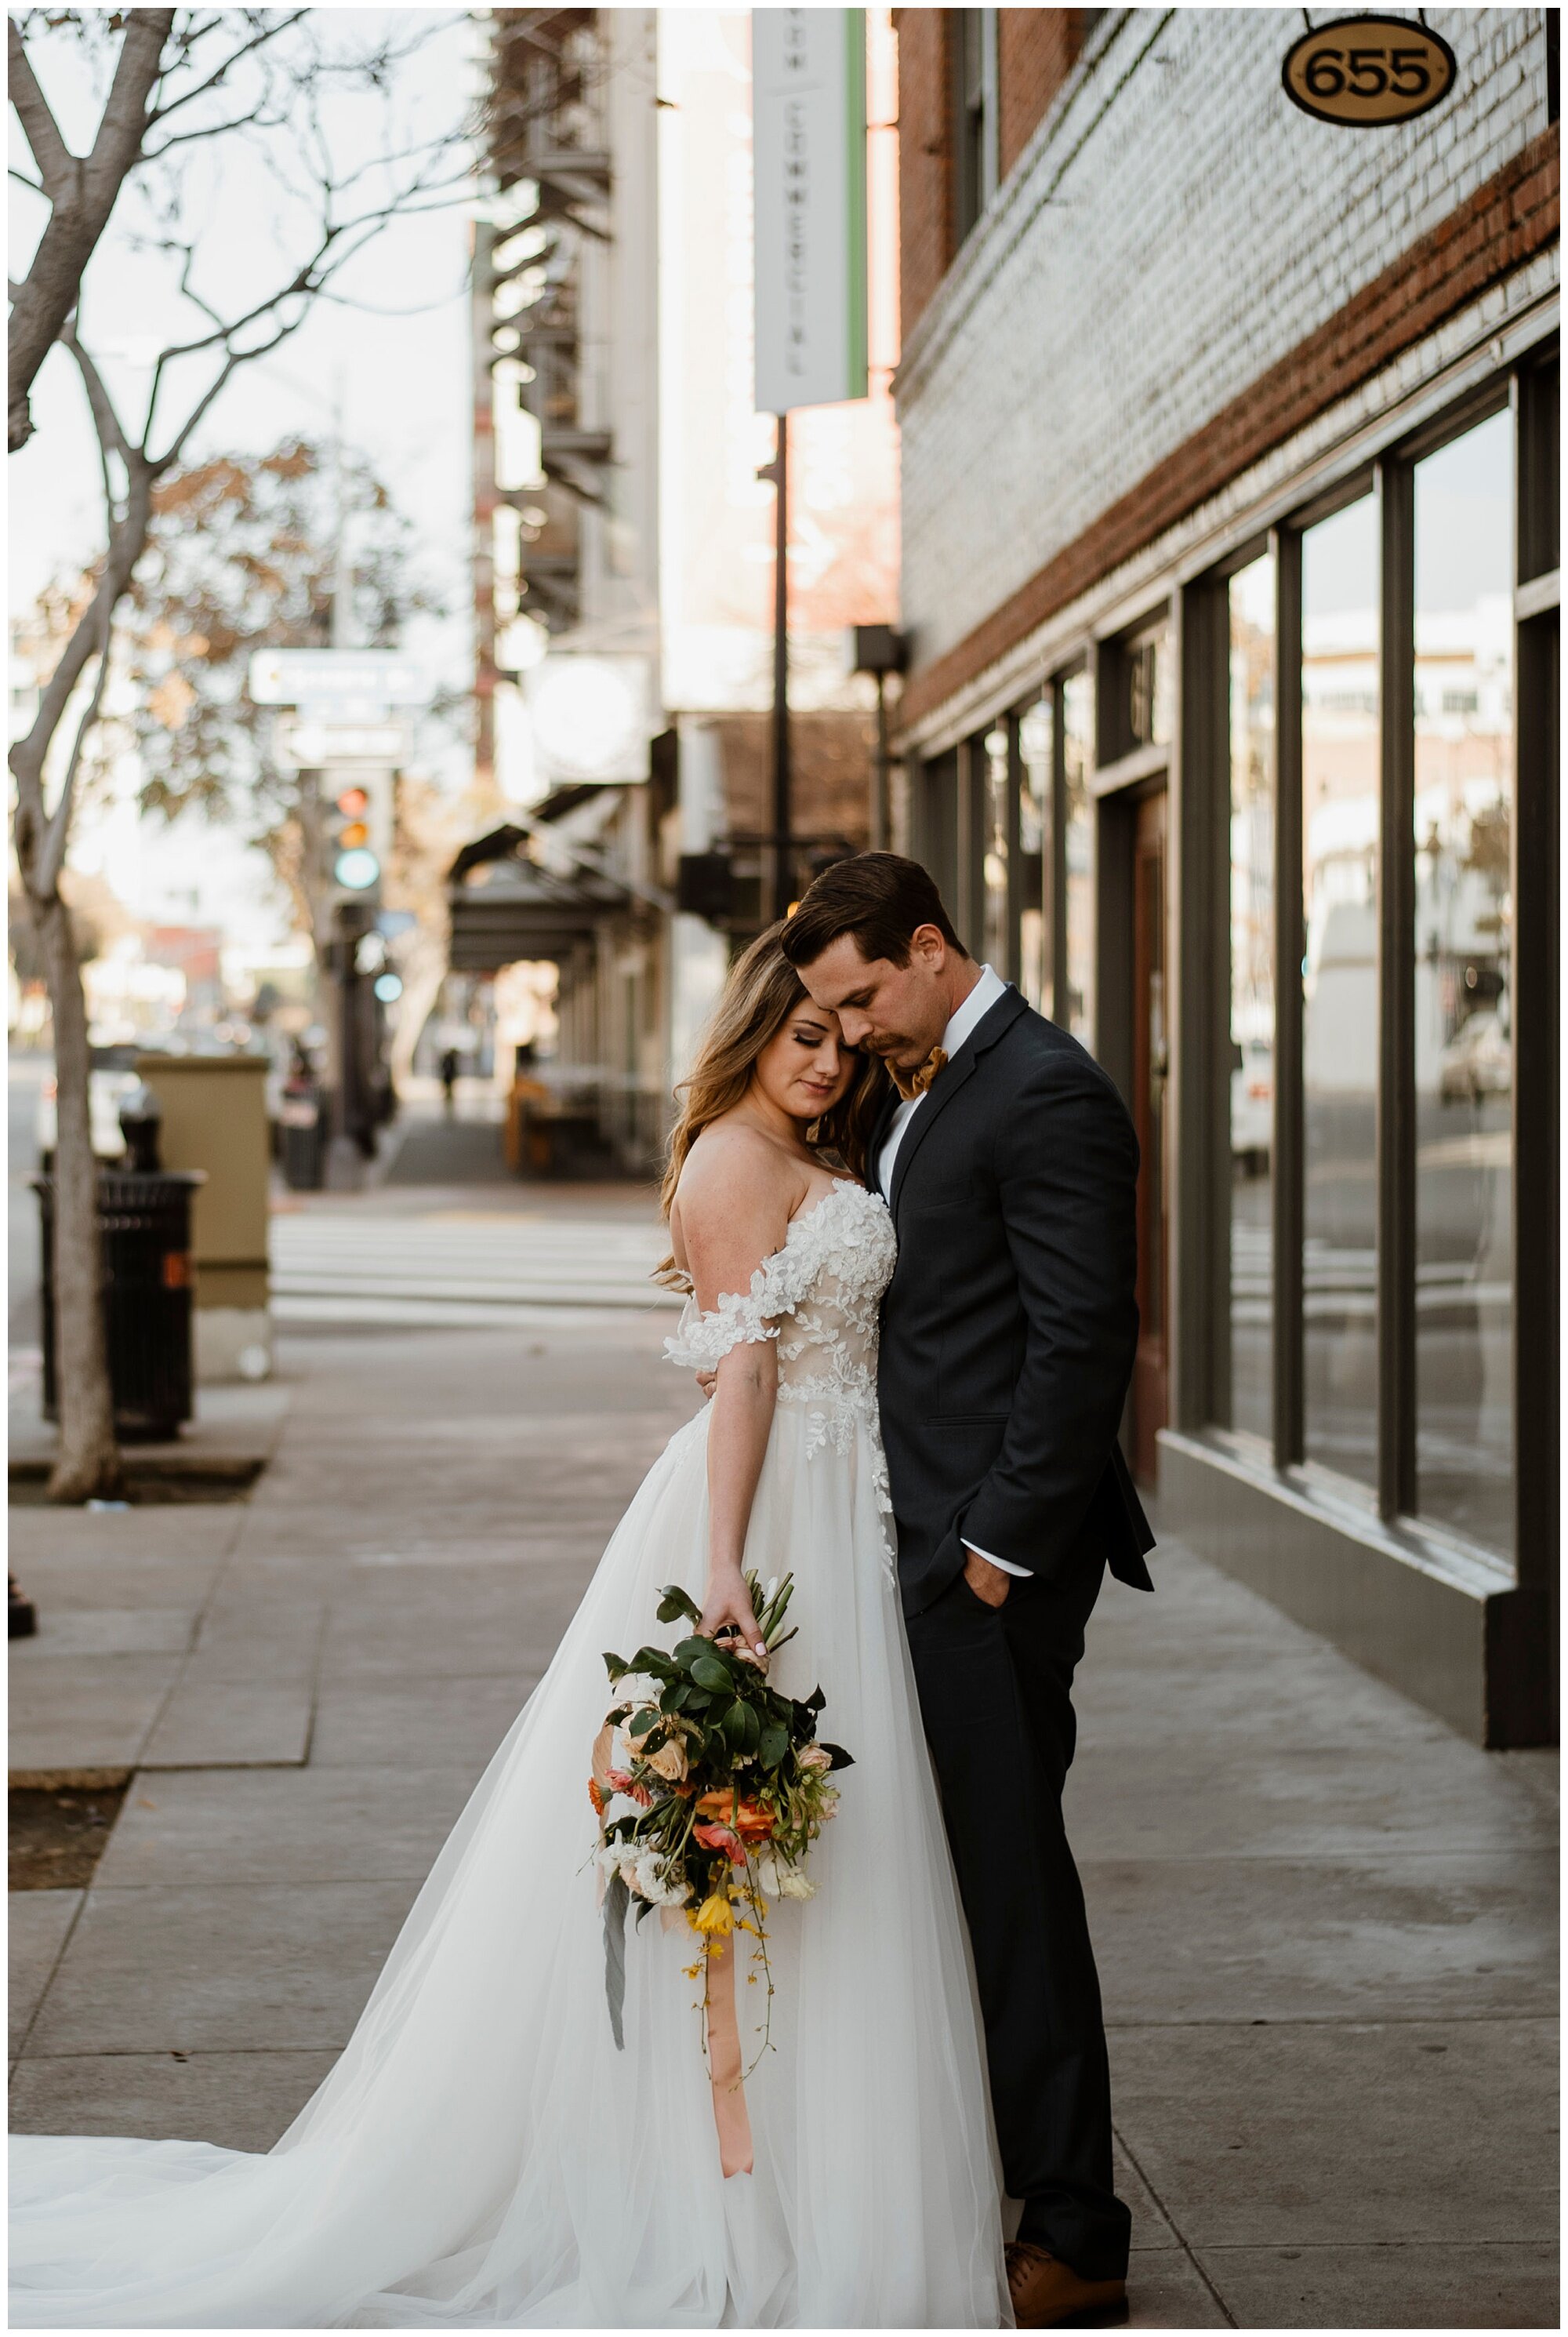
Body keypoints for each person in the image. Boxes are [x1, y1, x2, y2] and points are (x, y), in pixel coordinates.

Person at [9, 928, 1010, 2331]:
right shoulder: (732, 1158)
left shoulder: (817, 1152)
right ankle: (732, 2196)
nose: (828, 1063)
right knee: (757, 1844)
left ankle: (805, 2176)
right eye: (804, 1039)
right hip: (773, 1517)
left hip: (846, 1503)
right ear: (752, 1032)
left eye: (841, 1044)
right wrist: (726, 1566)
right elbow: (743, 1375)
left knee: (840, 1856)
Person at [778, 852, 1156, 2333]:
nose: (855, 1029)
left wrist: (995, 1549)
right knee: (960, 1884)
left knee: (1011, 1889)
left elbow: (1084, 1337)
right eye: (832, 1008)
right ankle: (1000, 2182)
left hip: (985, 1566)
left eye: (864, 996)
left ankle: (1075, 2234)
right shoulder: (927, 1078)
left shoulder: (1044, 1088)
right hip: (916, 1543)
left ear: (932, 948)